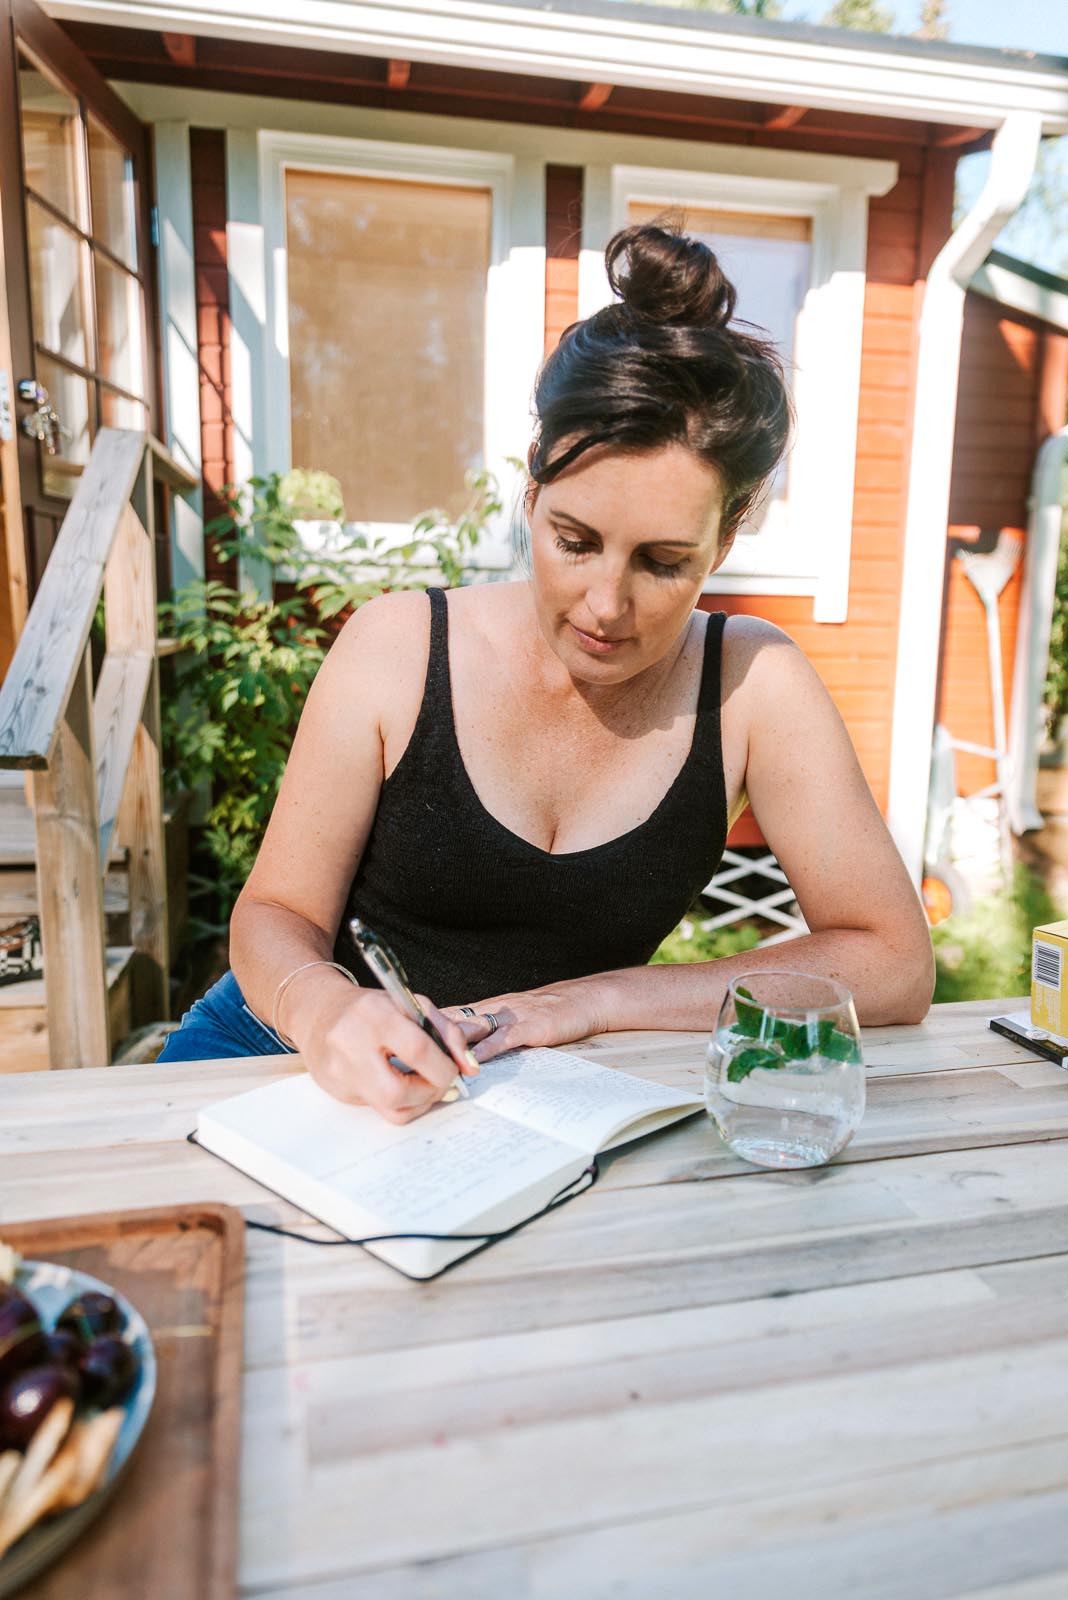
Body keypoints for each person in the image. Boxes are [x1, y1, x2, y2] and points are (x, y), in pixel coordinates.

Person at [159, 219, 934, 1113]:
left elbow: (893, 963)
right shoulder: (400, 648)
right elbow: (271, 916)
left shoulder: (754, 684)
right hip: (275, 1052)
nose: (606, 604)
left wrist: (590, 1002)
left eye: (662, 561)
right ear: (531, 493)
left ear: (726, 540)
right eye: (575, 541)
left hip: (515, 1101)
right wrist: (329, 1010)